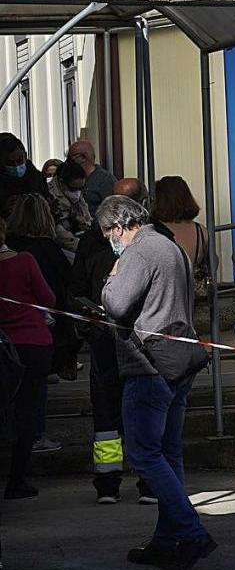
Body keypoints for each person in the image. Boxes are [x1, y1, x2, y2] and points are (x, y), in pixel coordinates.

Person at [99, 195, 216, 570]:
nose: (109, 241)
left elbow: (117, 305)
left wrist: (110, 280)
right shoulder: (171, 246)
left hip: (148, 364)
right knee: (169, 453)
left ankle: (190, 532)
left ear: (119, 226)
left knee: (144, 453)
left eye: (107, 233)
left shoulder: (138, 252)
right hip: (177, 361)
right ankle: (167, 539)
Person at [72, 179, 161, 505]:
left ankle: (110, 483)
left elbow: (76, 288)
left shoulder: (90, 240)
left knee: (108, 412)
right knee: (142, 411)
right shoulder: (157, 236)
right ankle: (146, 482)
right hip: (137, 338)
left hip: (108, 337)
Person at [5, 194, 77, 451]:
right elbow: (55, 292)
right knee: (35, 392)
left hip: (6, 334)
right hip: (37, 332)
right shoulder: (45, 251)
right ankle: (34, 435)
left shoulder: (10, 248)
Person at [0, 216, 55, 500]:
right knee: (26, 411)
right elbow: (48, 298)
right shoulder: (24, 261)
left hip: (4, 344)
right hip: (32, 344)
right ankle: (17, 478)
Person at [152, 176, 211, 297]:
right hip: (193, 294)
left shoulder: (154, 230)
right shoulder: (200, 230)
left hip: (165, 295)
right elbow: (213, 262)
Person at [46, 159, 93, 253]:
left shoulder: (76, 193)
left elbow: (86, 218)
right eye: (73, 189)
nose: (77, 193)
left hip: (79, 238)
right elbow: (58, 232)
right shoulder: (49, 196)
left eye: (81, 188)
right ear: (61, 182)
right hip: (61, 245)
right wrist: (83, 247)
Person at [0, 134, 48, 215]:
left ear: (25, 156)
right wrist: (3, 208)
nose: (16, 166)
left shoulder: (37, 178)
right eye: (10, 163)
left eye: (19, 160)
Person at [67, 140, 116, 216]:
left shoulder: (105, 180)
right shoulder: (70, 178)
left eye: (71, 158)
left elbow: (112, 210)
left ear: (83, 158)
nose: (68, 163)